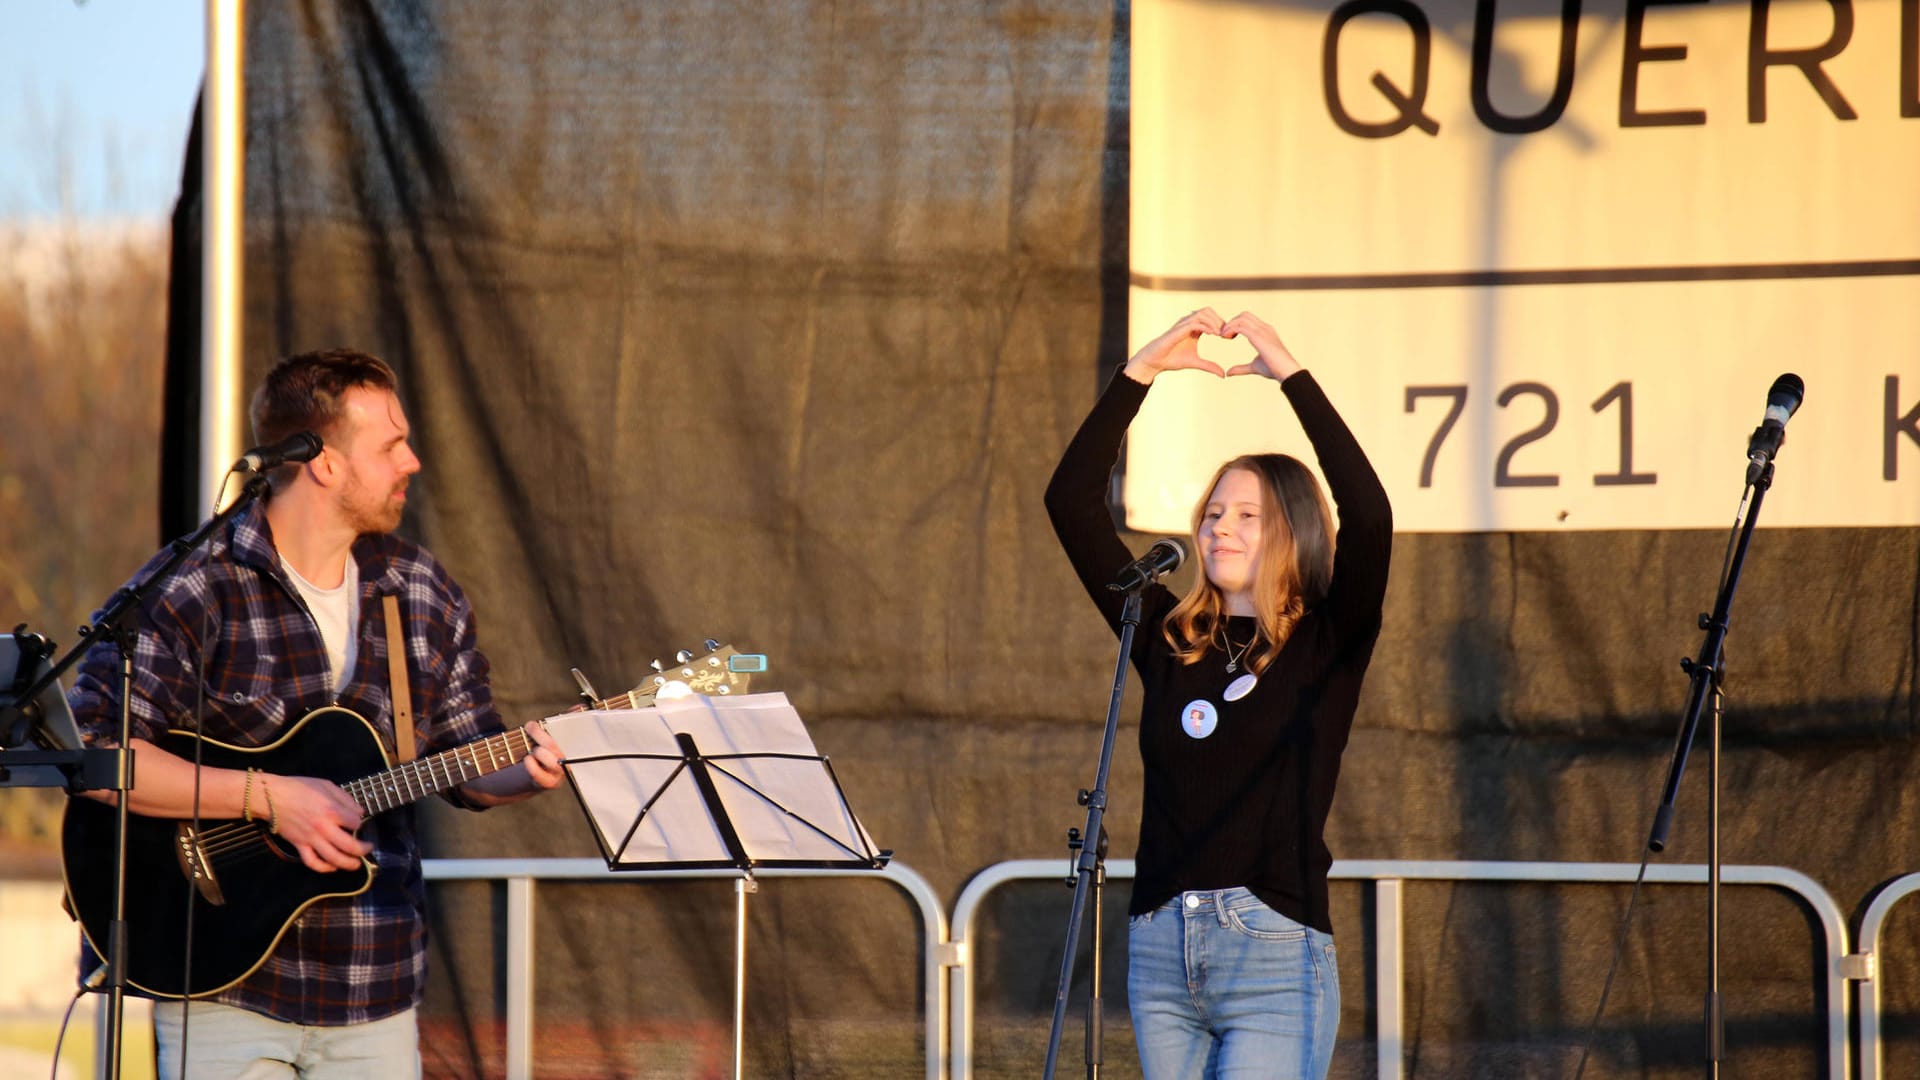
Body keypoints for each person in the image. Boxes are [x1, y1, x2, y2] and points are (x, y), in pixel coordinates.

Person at [68, 348, 566, 1079]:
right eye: (392, 444)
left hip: (376, 983)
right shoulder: (195, 586)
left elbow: (469, 753)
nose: (413, 461)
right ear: (324, 463)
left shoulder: (420, 590)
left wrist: (528, 768)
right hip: (219, 983)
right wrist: (270, 798)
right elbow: (93, 756)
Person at [1044, 309, 1392, 1078]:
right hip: (1162, 948)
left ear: (1293, 532)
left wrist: (1292, 377)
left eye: (1246, 516)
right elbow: (1070, 502)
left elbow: (1369, 517)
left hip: (1273, 948)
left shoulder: (1327, 642)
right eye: (1211, 514)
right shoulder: (1169, 635)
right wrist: (1139, 374)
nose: (1219, 529)